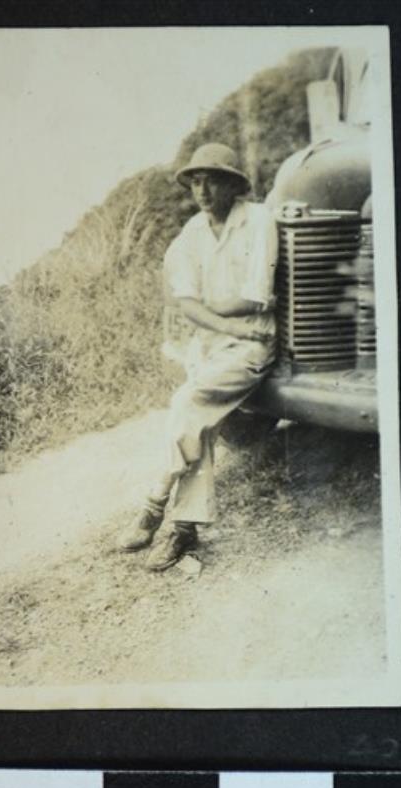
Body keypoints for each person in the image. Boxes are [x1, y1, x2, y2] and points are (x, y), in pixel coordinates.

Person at [118, 142, 279, 570]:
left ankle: (154, 503)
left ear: (233, 184)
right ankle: (184, 531)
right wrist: (219, 316)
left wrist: (209, 309)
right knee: (198, 424)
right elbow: (185, 301)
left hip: (251, 345)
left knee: (187, 403)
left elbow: (257, 298)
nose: (202, 191)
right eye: (195, 182)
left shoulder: (258, 220)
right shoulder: (192, 232)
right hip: (213, 344)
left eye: (212, 181)